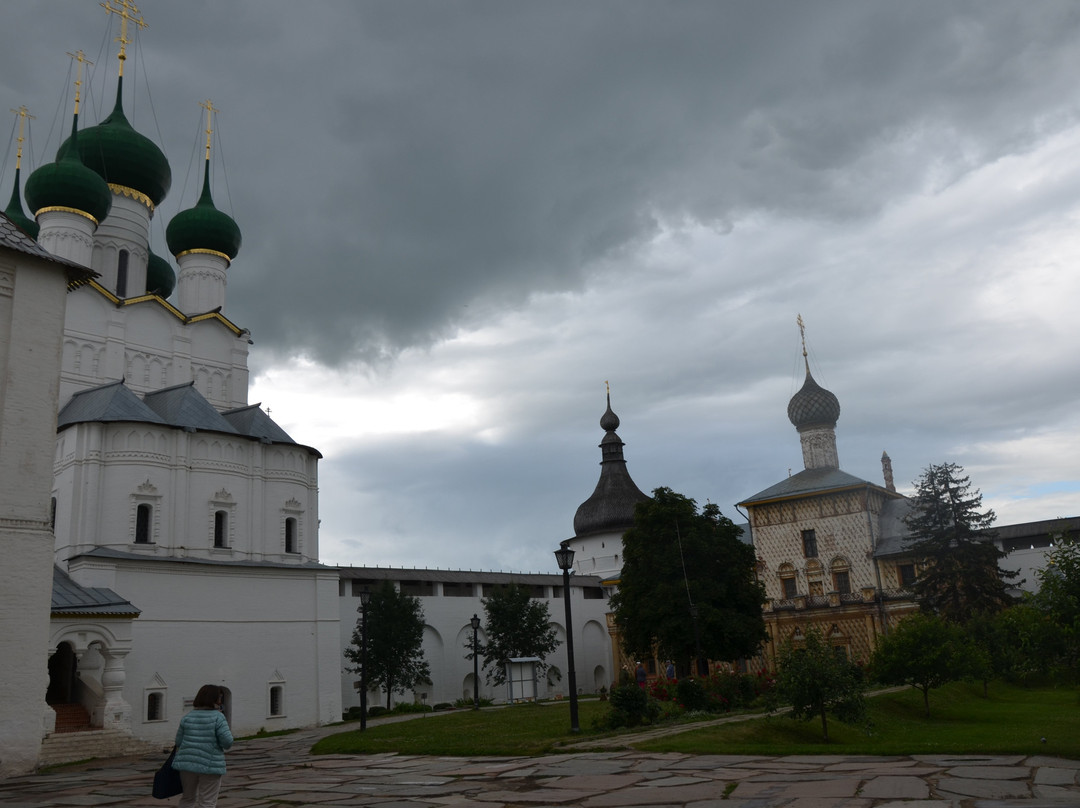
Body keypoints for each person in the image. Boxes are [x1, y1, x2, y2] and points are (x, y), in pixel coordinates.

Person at [172, 684, 233, 808]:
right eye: (219, 697)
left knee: (187, 799)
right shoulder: (218, 718)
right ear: (215, 699)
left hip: (187, 764)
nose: (220, 700)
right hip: (210, 765)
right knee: (207, 802)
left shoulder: (187, 717)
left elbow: (178, 741)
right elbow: (227, 742)